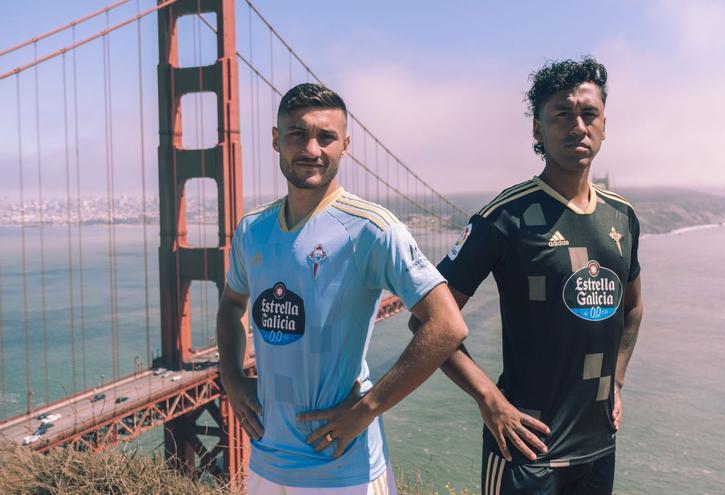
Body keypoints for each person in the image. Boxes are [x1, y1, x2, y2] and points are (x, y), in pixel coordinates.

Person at [217, 83, 468, 494]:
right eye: (298, 134)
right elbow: (231, 304)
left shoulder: (373, 229)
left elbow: (447, 325)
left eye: (326, 137)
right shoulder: (252, 229)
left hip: (342, 468)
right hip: (265, 460)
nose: (311, 148)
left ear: (346, 145)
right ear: (277, 140)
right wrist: (230, 374)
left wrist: (368, 409)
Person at [409, 56, 644, 494]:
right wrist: (489, 400)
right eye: (562, 114)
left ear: (605, 125)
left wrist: (617, 380)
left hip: (598, 446)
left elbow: (631, 310)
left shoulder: (623, 216)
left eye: (589, 114)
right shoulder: (504, 217)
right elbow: (427, 321)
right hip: (526, 450)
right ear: (537, 129)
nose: (578, 125)